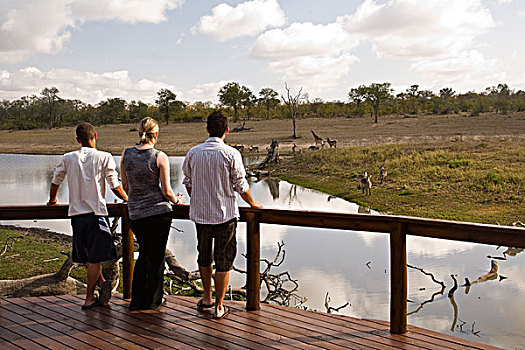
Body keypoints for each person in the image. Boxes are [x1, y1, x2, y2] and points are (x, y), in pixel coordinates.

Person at [182, 111, 262, 319]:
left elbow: (188, 183)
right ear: (226, 131)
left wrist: (198, 198)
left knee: (204, 257)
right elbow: (241, 186)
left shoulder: (193, 153)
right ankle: (219, 305)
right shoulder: (231, 154)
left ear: (207, 130)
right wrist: (253, 203)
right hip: (225, 216)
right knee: (224, 260)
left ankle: (207, 297)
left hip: (200, 216)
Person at [48, 122, 128, 310]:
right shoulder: (104, 157)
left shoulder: (68, 158)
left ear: (78, 139)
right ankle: (89, 298)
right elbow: (114, 185)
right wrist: (128, 199)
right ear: (95, 136)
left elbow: (55, 180)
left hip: (77, 216)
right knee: (94, 259)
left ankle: (100, 283)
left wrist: (52, 200)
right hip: (96, 215)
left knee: (84, 255)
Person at [120, 117, 185, 311]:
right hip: (158, 213)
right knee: (156, 257)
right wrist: (178, 200)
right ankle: (154, 299)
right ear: (155, 134)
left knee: (143, 256)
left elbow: (125, 185)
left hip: (136, 213)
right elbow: (166, 191)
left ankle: (137, 299)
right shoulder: (159, 156)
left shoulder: (126, 154)